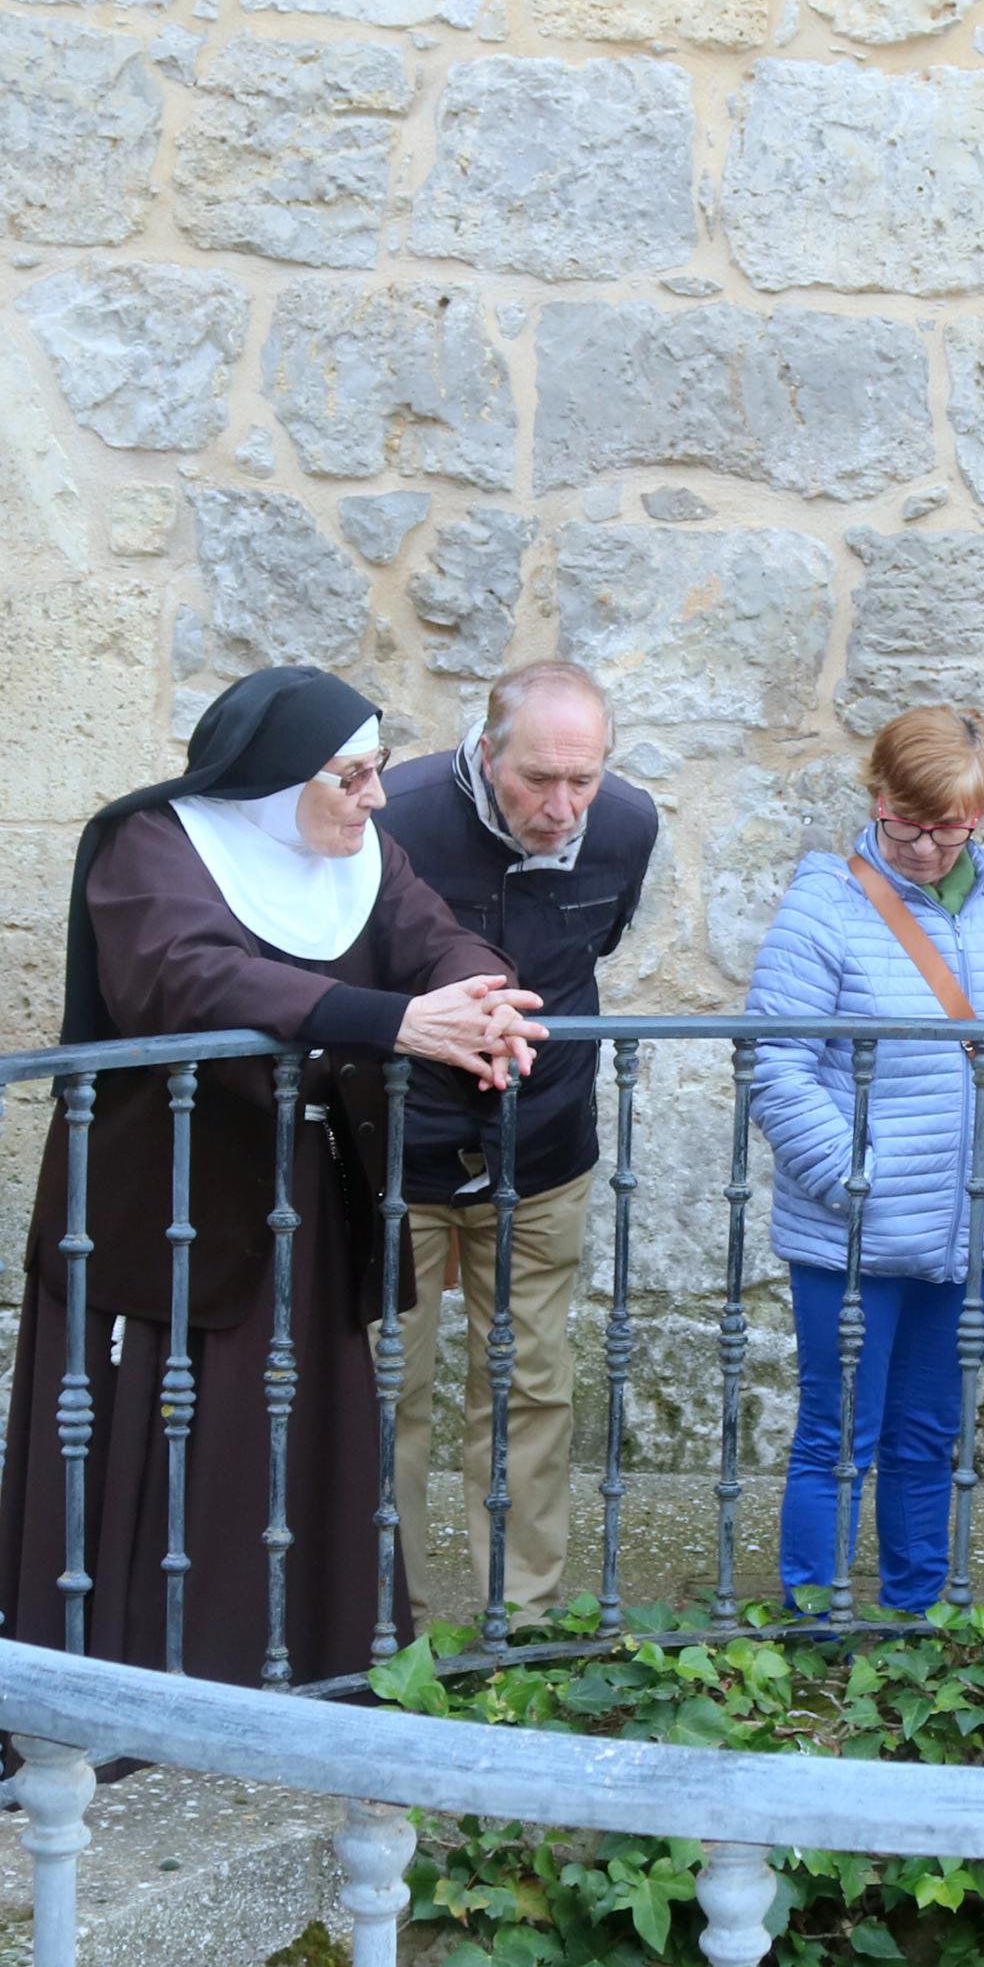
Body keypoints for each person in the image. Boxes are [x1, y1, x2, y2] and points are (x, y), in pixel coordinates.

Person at [0, 667, 539, 1690]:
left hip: (306, 1199)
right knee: (169, 1442)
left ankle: (315, 1670)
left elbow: (431, 934)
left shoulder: (358, 848)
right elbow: (188, 976)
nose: (375, 798)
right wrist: (390, 1020)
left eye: (377, 773)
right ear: (275, 777)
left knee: (310, 1441)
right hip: (165, 1203)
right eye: (352, 778)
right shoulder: (151, 847)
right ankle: (140, 1687)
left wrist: (482, 999)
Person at [743, 708, 984, 1613]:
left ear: (983, 809)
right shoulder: (823, 902)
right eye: (906, 823)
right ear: (875, 795)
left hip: (979, 1224)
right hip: (854, 1231)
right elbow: (777, 1061)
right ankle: (815, 1620)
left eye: (951, 825)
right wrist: (856, 1176)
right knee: (837, 1433)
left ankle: (913, 1618)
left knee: (930, 1434)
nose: (926, 847)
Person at [375, 661, 661, 1630]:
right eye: (537, 779)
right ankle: (387, 1619)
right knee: (390, 1386)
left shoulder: (625, 825)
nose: (563, 806)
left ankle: (523, 1621)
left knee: (532, 1385)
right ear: (484, 750)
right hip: (398, 1149)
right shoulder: (395, 817)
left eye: (583, 778)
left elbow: (596, 947)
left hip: (541, 1148)